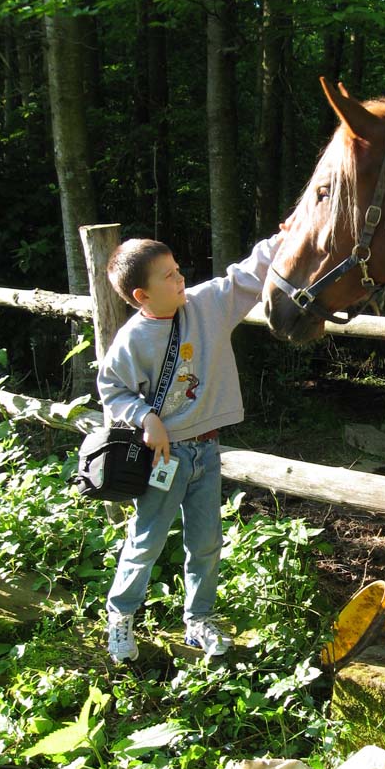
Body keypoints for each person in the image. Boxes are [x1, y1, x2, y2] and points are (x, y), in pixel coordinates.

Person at [97, 228, 284, 664]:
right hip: (165, 457)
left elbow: (246, 275)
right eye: (168, 276)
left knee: (206, 543)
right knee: (146, 541)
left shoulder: (205, 305)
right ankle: (120, 616)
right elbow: (112, 387)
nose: (180, 279)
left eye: (178, 270)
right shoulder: (131, 340)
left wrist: (287, 234)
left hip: (207, 450)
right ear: (142, 295)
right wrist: (147, 419)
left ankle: (199, 618)